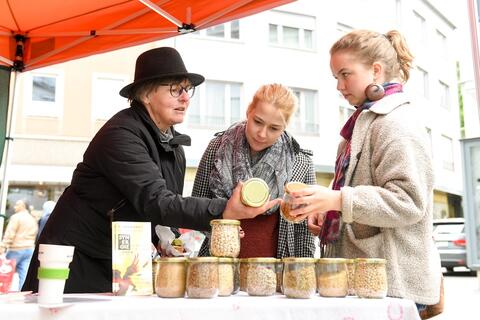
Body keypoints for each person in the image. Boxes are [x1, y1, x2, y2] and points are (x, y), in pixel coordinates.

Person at [22, 47, 279, 293]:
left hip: (122, 259)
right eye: (175, 89)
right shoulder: (121, 133)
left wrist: (170, 241)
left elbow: (161, 215)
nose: (185, 98)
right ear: (146, 95)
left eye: (187, 90)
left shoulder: (173, 146)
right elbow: (156, 201)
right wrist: (224, 210)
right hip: (74, 259)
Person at [286, 30, 442, 309]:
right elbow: (361, 199)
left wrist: (337, 199)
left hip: (392, 288)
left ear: (376, 71)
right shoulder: (364, 122)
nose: (339, 86)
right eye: (336, 77)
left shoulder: (396, 122)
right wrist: (330, 212)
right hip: (369, 285)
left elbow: (408, 202)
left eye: (345, 74)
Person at [192, 84, 315, 258]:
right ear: (248, 112)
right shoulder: (217, 148)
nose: (262, 134)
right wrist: (222, 227)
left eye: (274, 128)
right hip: (219, 266)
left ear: (285, 126)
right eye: (258, 122)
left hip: (275, 272)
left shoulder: (300, 161)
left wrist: (301, 277)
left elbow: (303, 232)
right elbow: (196, 210)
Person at [0, 199, 38, 290]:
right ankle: (22, 293)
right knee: (23, 273)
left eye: (17, 205)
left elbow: (10, 233)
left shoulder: (16, 217)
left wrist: (3, 246)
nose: (15, 207)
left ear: (23, 206)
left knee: (5, 271)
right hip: (29, 249)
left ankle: (3, 292)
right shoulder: (32, 219)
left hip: (16, 249)